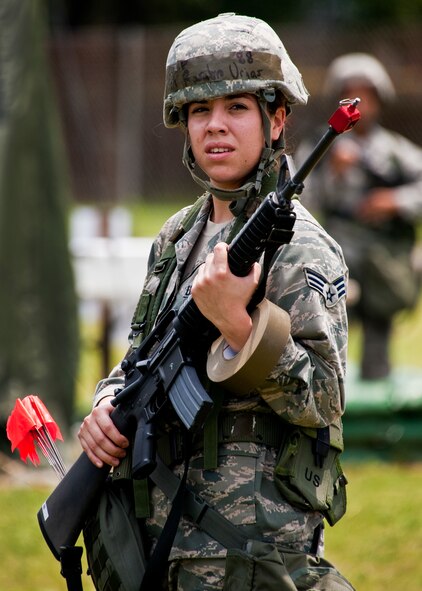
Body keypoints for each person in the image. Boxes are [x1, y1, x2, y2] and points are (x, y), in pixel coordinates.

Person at [78, 13, 353, 591]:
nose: (215, 127)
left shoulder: (302, 249)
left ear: (276, 120)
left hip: (251, 558)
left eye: (235, 108)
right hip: (161, 547)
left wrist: (239, 327)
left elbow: (326, 403)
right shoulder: (177, 237)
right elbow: (141, 354)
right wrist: (107, 402)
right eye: (200, 111)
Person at [297, 53, 422, 381]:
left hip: (381, 258)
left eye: (367, 92)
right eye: (351, 92)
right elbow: (300, 199)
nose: (360, 101)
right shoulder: (322, 147)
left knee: (377, 348)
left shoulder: (395, 152)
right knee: (322, 337)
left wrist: (394, 201)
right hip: (336, 253)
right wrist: (332, 174)